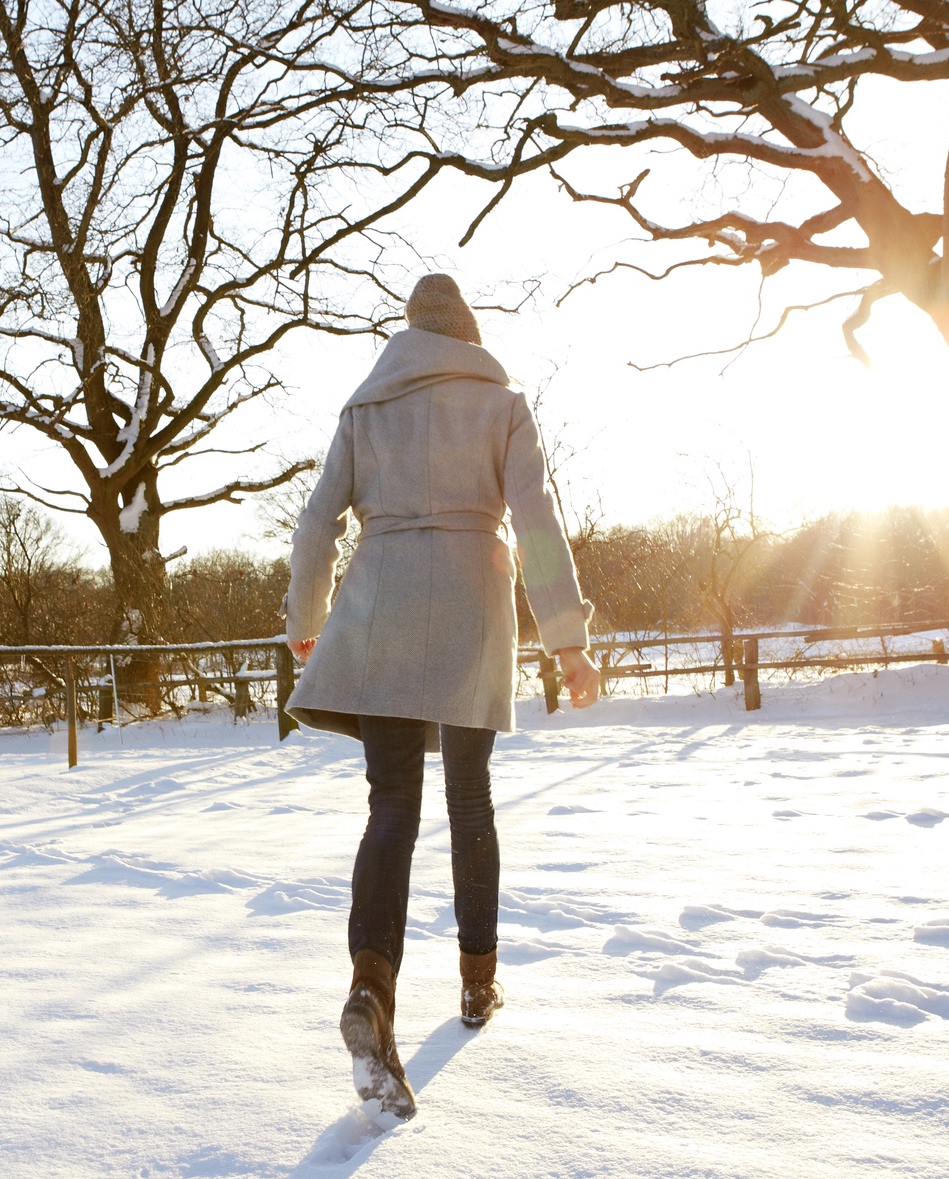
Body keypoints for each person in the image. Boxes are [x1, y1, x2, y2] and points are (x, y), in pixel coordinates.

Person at [282, 274, 601, 1119]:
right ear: (466, 333)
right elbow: (535, 519)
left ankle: (370, 985)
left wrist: (305, 619)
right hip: (469, 606)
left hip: (379, 605)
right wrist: (566, 639)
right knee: (469, 800)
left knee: (390, 805)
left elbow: (316, 523)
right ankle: (476, 983)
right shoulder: (499, 401)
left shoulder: (365, 406)